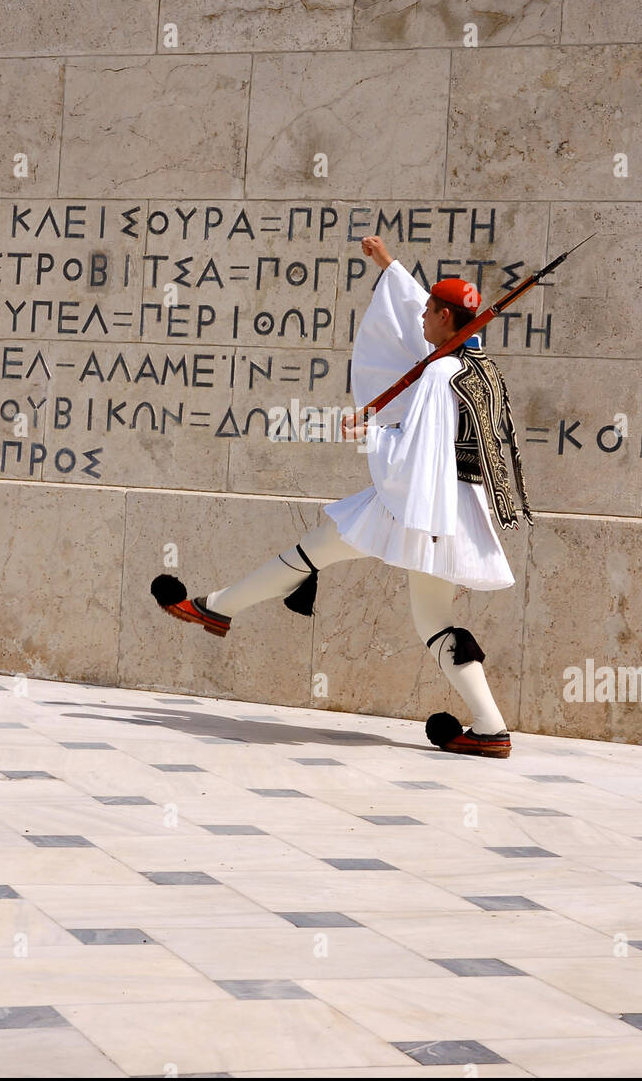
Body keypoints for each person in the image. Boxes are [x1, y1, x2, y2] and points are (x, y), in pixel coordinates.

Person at [151, 235, 532, 758]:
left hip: (418, 505)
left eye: (429, 313)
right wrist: (390, 265)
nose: (421, 320)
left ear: (446, 318)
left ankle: (214, 609)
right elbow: (429, 335)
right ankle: (491, 730)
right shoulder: (475, 363)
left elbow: (417, 453)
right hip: (456, 509)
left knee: (313, 550)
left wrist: (369, 429)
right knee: (433, 621)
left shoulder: (441, 375)